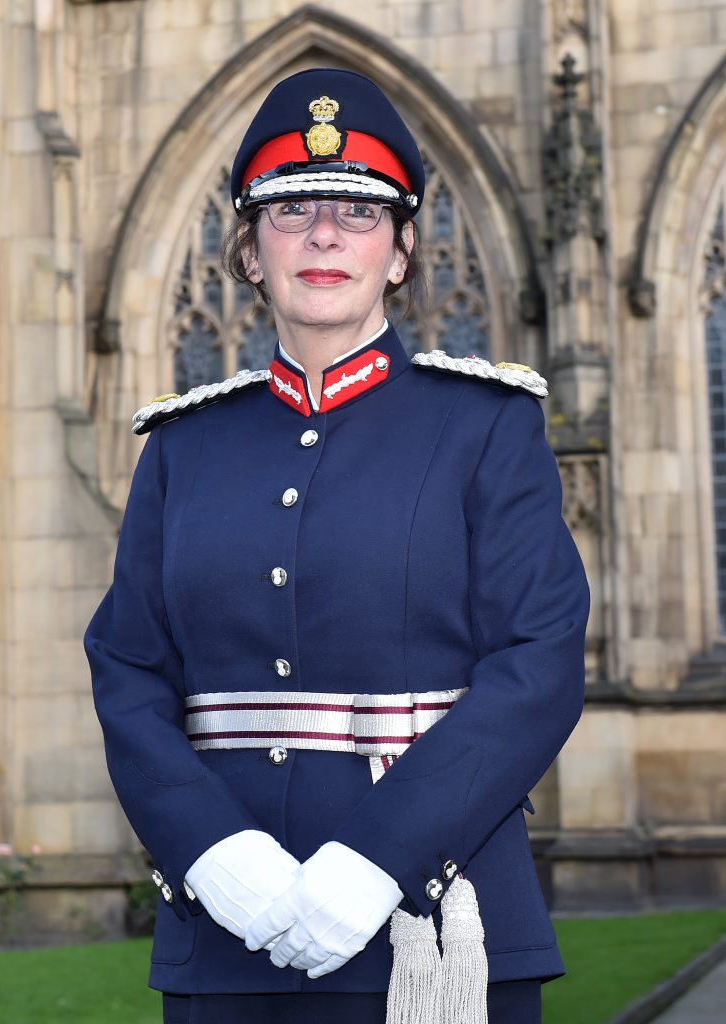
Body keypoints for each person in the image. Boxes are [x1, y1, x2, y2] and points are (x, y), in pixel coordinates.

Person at [84, 68, 589, 1024]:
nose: (323, 233)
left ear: (400, 252)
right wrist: (210, 854)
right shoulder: (182, 448)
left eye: (357, 212)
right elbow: (126, 667)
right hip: (226, 940)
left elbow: (540, 663)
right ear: (247, 251)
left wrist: (373, 862)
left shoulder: (484, 424)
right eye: (291, 210)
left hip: (432, 922)